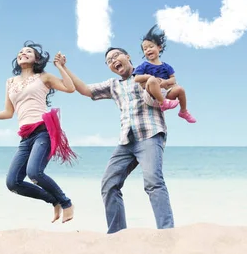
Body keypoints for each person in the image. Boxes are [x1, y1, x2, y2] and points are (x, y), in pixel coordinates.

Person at [55, 48, 174, 234]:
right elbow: (85, 90)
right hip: (126, 140)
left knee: (153, 181)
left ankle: (167, 231)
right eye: (109, 60)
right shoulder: (113, 85)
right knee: (109, 184)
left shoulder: (148, 73)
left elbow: (168, 90)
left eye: (116, 56)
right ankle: (117, 234)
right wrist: (64, 67)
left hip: (150, 133)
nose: (113, 61)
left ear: (128, 56)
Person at [0, 40, 77, 224]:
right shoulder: (10, 82)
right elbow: (8, 112)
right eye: (21, 51)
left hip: (43, 130)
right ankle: (52, 200)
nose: (23, 53)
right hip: (25, 136)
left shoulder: (44, 77)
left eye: (28, 51)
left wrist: (60, 67)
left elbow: (70, 88)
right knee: (13, 182)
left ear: (36, 58)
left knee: (35, 173)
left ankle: (66, 202)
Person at [134, 25, 196, 123]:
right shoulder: (144, 65)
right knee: (152, 80)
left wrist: (165, 82)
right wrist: (149, 77)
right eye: (145, 49)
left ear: (159, 47)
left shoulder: (166, 66)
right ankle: (163, 103)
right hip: (151, 96)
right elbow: (136, 78)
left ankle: (183, 111)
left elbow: (173, 79)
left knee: (180, 89)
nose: (148, 50)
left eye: (151, 46)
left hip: (165, 94)